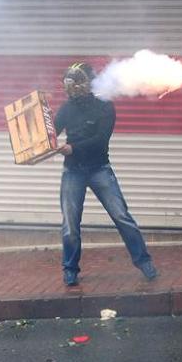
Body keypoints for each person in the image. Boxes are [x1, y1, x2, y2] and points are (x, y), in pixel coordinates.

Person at [54, 62, 158, 286]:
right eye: (69, 84)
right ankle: (70, 268)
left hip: (99, 168)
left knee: (121, 216)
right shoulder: (66, 108)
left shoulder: (104, 107)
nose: (72, 89)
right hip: (73, 171)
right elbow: (51, 131)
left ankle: (143, 261)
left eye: (76, 83)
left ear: (89, 83)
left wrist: (73, 148)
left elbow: (100, 140)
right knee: (70, 224)